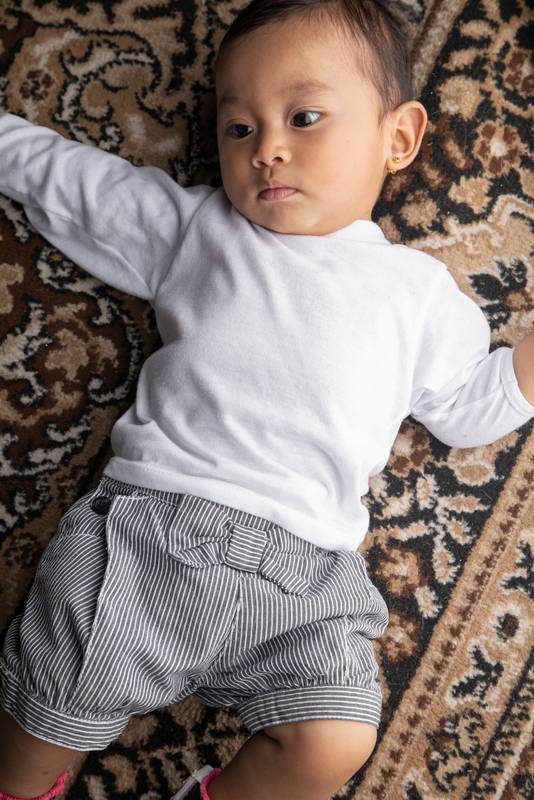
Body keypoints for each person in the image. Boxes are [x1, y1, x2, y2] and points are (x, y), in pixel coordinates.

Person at [1, 1, 533, 799]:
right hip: (150, 544)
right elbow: (73, 187)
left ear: (399, 138)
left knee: (336, 737)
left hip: (308, 582)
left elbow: (470, 405)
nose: (268, 149)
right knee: (38, 720)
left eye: (304, 117)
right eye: (238, 128)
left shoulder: (419, 293)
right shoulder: (201, 228)